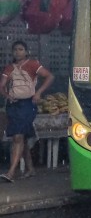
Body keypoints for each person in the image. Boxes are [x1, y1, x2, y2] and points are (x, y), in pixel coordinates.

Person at [0, 41, 54, 182]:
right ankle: (30, 169)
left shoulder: (33, 64)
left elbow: (50, 76)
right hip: (13, 106)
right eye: (15, 50)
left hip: (27, 105)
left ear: (26, 51)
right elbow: (1, 86)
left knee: (18, 137)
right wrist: (7, 95)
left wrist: (39, 93)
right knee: (20, 138)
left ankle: (11, 173)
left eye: (20, 49)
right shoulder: (9, 68)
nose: (17, 52)